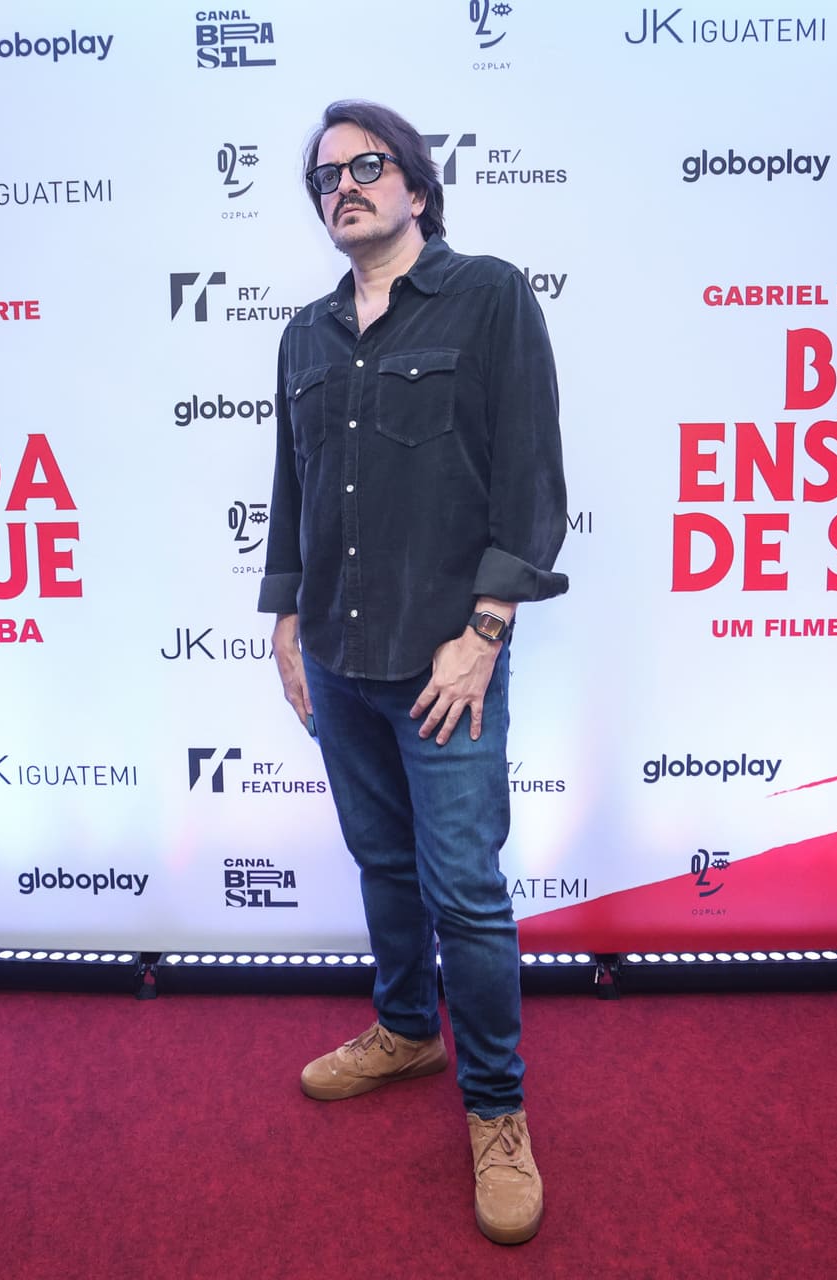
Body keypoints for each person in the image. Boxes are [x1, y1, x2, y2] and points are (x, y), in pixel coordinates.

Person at [257, 99, 569, 1245]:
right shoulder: (304, 336)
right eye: (323, 177)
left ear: (418, 186)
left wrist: (484, 631)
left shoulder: (489, 297)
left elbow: (531, 482)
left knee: (465, 893)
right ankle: (404, 1027)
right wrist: (283, 615)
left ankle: (497, 1108)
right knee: (382, 863)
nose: (342, 186)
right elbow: (292, 487)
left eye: (365, 165)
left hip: (445, 667)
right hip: (338, 657)